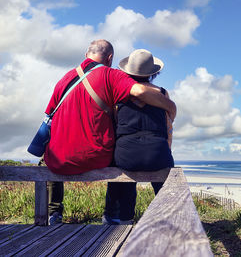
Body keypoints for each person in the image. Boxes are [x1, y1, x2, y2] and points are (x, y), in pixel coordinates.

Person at [43, 40, 176, 225]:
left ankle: (112, 216)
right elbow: (162, 121)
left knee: (120, 161)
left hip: (66, 159)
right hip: (139, 155)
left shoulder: (66, 81)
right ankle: (167, 217)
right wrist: (171, 107)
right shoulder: (155, 91)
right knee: (145, 165)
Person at [102, 49, 174, 225]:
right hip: (157, 152)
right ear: (153, 73)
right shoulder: (163, 94)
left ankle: (119, 217)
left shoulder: (119, 94)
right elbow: (168, 128)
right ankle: (168, 217)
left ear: (128, 70)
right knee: (163, 169)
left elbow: (114, 124)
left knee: (122, 166)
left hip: (126, 154)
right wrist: (165, 152)